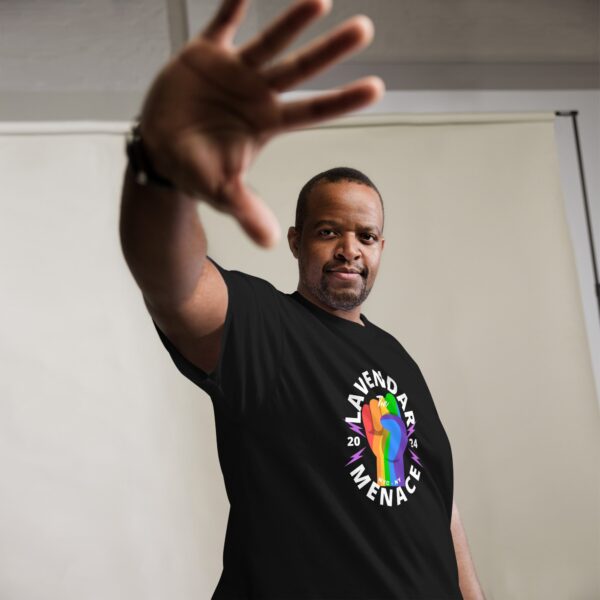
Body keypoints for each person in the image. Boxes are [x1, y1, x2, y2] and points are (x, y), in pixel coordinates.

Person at [119, 0, 486, 598]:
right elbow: (174, 284)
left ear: (382, 247)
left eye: (365, 236)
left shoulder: (397, 358)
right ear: (295, 241)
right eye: (327, 231)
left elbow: (439, 506)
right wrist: (162, 170)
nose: (349, 249)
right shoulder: (268, 327)